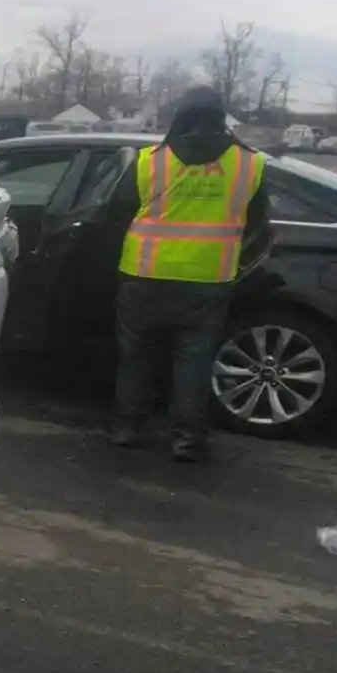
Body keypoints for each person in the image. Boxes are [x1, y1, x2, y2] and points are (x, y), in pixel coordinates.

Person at [108, 86, 271, 462]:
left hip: (144, 275)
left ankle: (127, 428)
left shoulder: (149, 161)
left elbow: (117, 213)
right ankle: (186, 439)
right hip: (208, 279)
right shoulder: (250, 164)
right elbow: (258, 223)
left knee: (136, 357)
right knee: (193, 363)